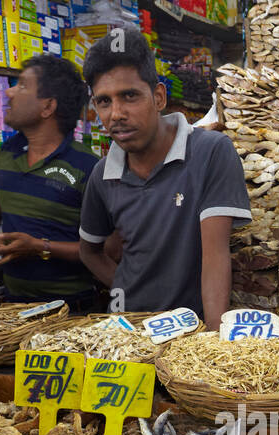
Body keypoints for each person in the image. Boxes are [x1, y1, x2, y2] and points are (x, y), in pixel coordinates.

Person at [78, 28, 252, 326]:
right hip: (126, 336)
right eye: (104, 101)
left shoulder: (210, 153)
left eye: (129, 96)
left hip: (189, 338)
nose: (116, 113)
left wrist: (213, 348)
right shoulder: (102, 174)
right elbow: (89, 252)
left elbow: (215, 258)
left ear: (158, 97)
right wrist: (125, 289)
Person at [0, 55, 100, 308]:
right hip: (14, 306)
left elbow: (104, 251)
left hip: (73, 309)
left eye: (21, 85)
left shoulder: (88, 166)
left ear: (47, 107)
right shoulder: (8, 152)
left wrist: (40, 247)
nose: (9, 92)